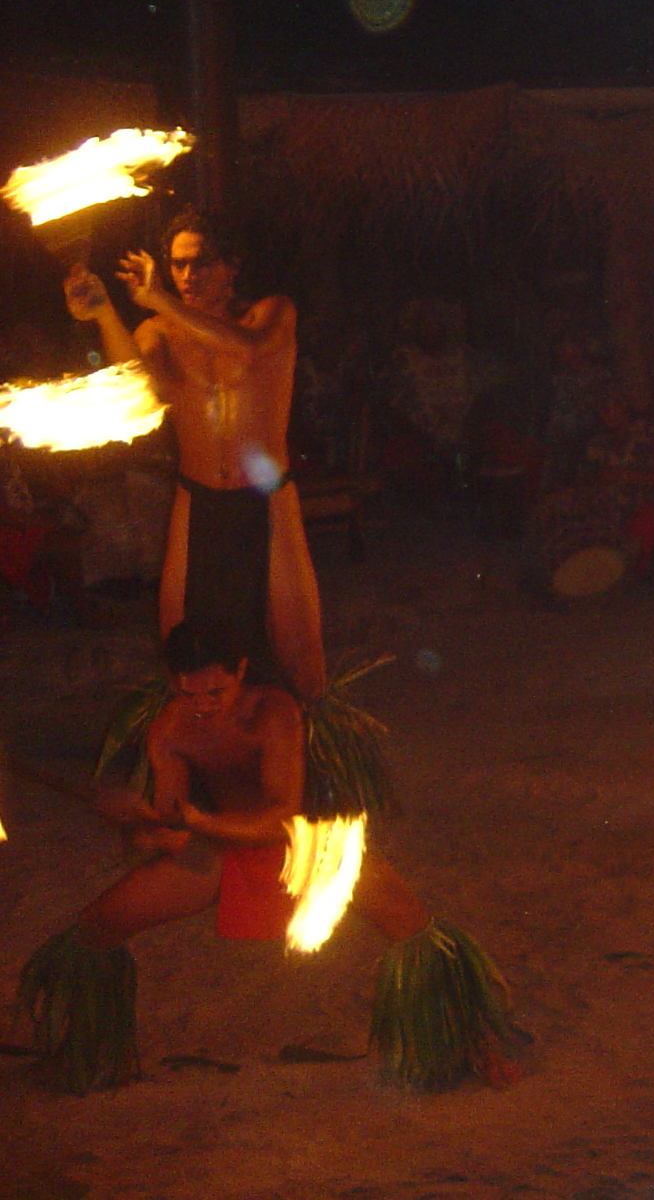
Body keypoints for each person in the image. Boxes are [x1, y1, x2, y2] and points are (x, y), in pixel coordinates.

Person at [15, 620, 519, 1092]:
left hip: (309, 847)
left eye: (216, 691)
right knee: (100, 922)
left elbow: (280, 817)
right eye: (189, 693)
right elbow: (172, 823)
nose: (204, 705)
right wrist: (141, 825)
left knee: (413, 924)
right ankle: (90, 1057)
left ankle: (471, 1047)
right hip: (222, 848)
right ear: (173, 682)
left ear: (240, 671)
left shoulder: (274, 712)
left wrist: (197, 824)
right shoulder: (169, 728)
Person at [64, 210, 324, 699]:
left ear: (233, 266)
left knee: (296, 645)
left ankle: (298, 753)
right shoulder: (161, 331)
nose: (188, 276)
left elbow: (245, 352)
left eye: (201, 263)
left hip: (266, 498)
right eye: (179, 265)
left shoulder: (270, 314)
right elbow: (138, 384)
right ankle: (199, 745)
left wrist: (158, 296)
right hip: (197, 496)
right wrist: (103, 312)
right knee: (180, 634)